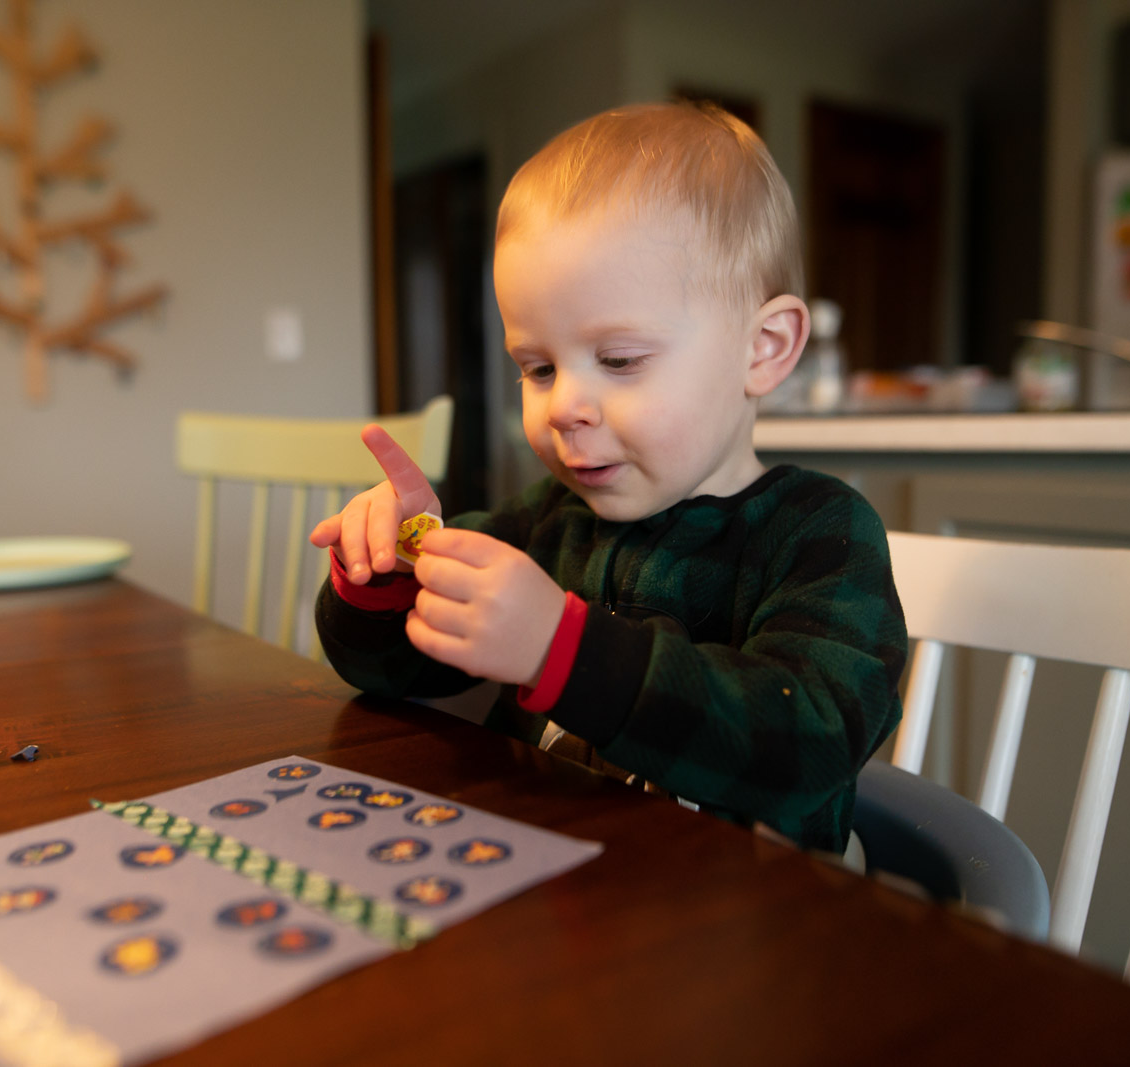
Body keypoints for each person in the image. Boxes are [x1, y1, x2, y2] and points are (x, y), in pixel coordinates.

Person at [310, 102, 906, 853]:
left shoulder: (822, 535)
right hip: (538, 892)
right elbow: (393, 672)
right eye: (538, 368)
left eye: (619, 360)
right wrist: (387, 570)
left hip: (741, 934)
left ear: (764, 347)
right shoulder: (542, 522)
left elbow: (809, 742)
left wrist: (562, 651)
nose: (563, 406)